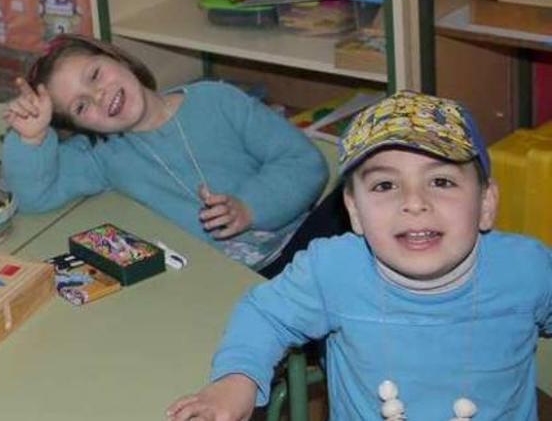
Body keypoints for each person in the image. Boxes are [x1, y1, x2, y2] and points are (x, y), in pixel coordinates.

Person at [167, 91, 552, 421]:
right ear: (354, 211)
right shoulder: (332, 269)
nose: (414, 202)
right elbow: (265, 315)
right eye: (385, 184)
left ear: (486, 203)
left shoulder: (527, 270)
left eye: (441, 181)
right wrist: (236, 380)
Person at [2, 34, 332, 276]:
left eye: (95, 75)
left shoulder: (216, 100)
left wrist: (249, 207)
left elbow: (304, 162)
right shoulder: (100, 153)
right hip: (224, 281)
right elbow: (34, 197)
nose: (99, 95)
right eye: (81, 106)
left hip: (298, 246)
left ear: (117, 58)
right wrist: (31, 140)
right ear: (78, 125)